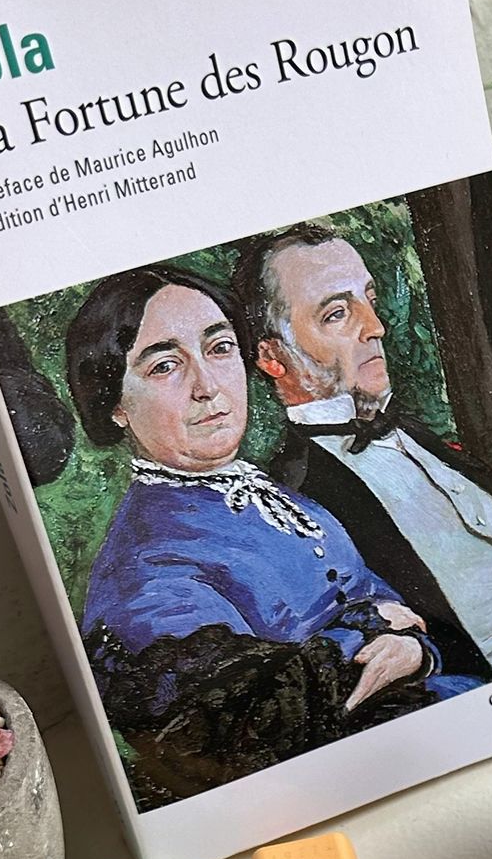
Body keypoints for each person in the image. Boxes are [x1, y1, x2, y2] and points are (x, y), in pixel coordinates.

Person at [64, 265, 466, 799]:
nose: (208, 387)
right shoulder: (145, 560)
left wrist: (415, 650)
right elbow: (249, 716)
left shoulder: (272, 495)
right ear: (114, 403)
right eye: (165, 366)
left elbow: (395, 608)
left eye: (220, 349)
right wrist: (368, 630)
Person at [229, 223, 492, 681]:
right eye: (337, 314)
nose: (376, 327)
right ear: (273, 357)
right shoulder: (297, 496)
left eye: (369, 300)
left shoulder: (408, 429)